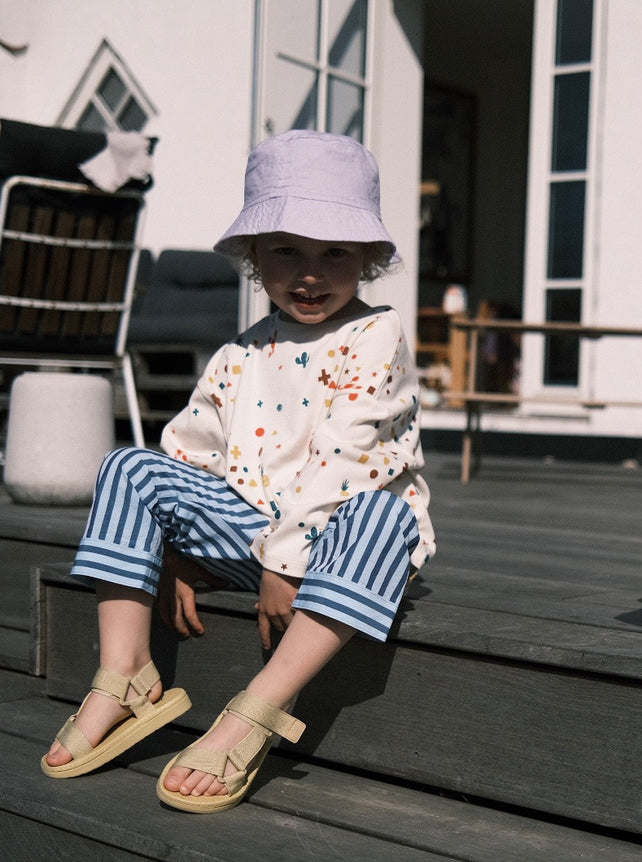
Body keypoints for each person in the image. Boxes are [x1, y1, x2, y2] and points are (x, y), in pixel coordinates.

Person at [41, 130, 435, 814]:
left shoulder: (375, 336)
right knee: (132, 467)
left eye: (335, 252)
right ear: (253, 255)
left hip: (338, 547)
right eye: (286, 250)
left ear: (368, 258)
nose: (309, 274)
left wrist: (287, 562)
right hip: (254, 538)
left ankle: (257, 705)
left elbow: (348, 455)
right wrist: (170, 555)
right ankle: (126, 672)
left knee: (386, 516)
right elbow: (191, 454)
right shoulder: (243, 350)